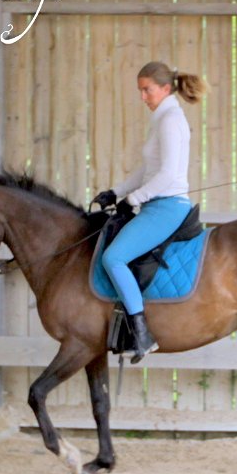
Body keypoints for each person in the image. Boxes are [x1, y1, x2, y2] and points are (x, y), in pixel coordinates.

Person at [92, 61, 208, 363]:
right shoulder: (162, 118)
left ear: (166, 89)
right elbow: (148, 169)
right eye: (141, 91)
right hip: (157, 203)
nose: (143, 97)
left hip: (167, 205)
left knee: (113, 258)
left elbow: (168, 174)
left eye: (147, 90)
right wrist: (116, 192)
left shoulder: (170, 119)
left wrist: (135, 198)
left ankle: (142, 335)